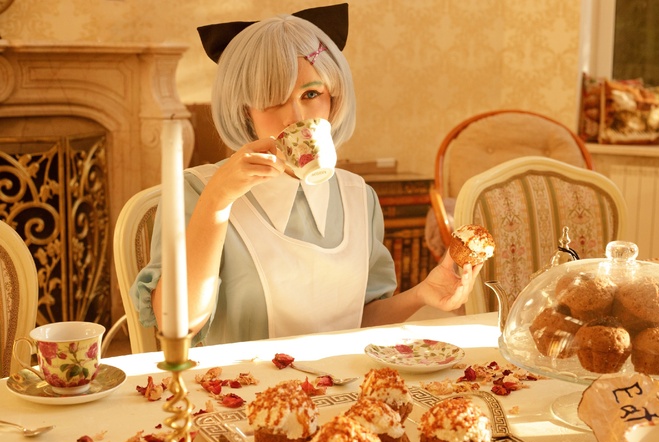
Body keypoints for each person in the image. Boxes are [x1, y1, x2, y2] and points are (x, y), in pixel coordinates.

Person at [130, 3, 483, 346]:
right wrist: (217, 201)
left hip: (343, 385)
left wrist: (422, 294)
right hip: (240, 384)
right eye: (273, 98)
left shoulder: (360, 196)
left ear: (334, 99)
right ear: (245, 110)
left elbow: (356, 323)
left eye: (311, 94)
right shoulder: (197, 190)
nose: (295, 117)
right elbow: (176, 324)